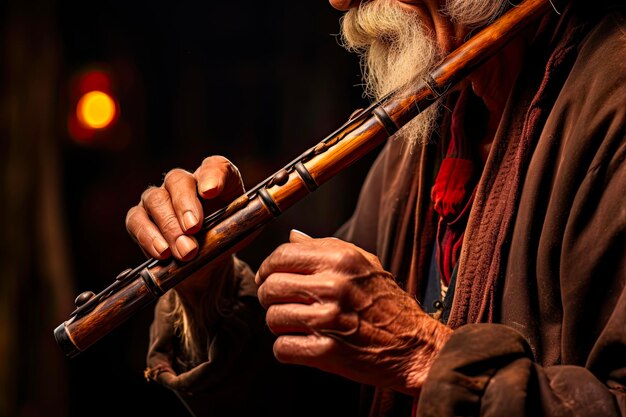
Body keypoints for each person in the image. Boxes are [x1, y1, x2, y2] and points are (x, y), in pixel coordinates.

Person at [126, 0, 626, 415]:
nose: (339, 0)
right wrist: (209, 291)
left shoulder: (613, 104)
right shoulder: (429, 131)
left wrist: (425, 354)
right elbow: (324, 393)